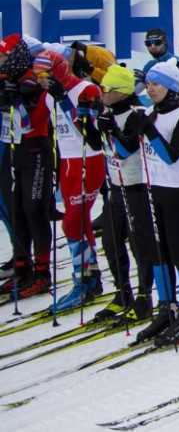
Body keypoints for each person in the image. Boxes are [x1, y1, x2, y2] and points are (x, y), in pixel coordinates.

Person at [132, 60, 179, 346]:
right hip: (156, 189)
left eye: (156, 84)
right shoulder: (150, 112)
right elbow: (128, 146)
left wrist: (147, 130)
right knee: (159, 253)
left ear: (171, 86)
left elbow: (171, 154)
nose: (150, 89)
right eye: (148, 83)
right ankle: (167, 306)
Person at [34, 48, 107, 311]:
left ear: (58, 71)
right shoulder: (47, 96)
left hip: (89, 161)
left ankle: (80, 283)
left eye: (44, 75)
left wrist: (64, 99)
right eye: (38, 76)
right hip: (67, 165)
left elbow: (89, 134)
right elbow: (30, 125)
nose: (41, 81)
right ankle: (91, 278)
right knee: (80, 223)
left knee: (71, 224)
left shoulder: (86, 90)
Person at [93, 65, 157, 326]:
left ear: (120, 92)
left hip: (136, 187)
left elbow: (126, 148)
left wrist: (112, 130)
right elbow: (97, 146)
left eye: (106, 89)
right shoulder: (110, 112)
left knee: (139, 243)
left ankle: (144, 298)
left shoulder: (136, 113)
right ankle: (122, 292)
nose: (102, 93)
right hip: (116, 187)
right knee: (110, 240)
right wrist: (90, 124)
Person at [0, 37, 55, 297]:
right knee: (17, 211)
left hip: (37, 152)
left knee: (35, 210)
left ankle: (42, 274)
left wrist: (16, 96)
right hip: (17, 151)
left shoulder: (33, 79)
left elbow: (36, 111)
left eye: (3, 56)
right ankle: (22, 269)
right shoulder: (7, 77)